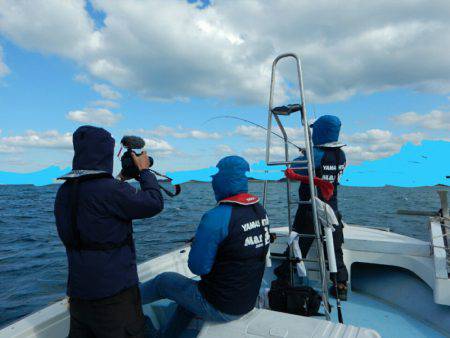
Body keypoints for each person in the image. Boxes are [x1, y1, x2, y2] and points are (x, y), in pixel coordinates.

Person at [140, 156, 270, 337]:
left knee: (164, 281)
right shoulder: (259, 210)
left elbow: (198, 267)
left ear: (220, 179)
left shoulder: (217, 216)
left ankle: (122, 301)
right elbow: (237, 245)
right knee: (187, 302)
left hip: (221, 307)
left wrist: (199, 245)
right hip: (246, 301)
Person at [54, 125, 164, 338]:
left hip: (79, 292)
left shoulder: (65, 191)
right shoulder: (110, 190)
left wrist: (121, 178)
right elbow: (153, 203)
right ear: (106, 153)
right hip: (114, 293)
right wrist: (145, 171)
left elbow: (98, 206)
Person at [292, 115, 349, 300]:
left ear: (320, 131)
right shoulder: (341, 154)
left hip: (311, 207)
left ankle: (286, 278)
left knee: (298, 244)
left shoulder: (315, 155)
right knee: (335, 248)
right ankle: (340, 284)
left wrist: (304, 155)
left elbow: (294, 168)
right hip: (332, 209)